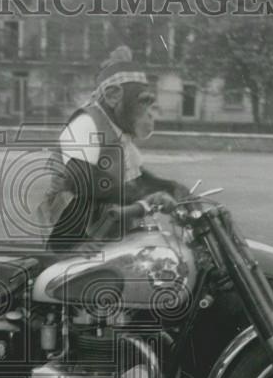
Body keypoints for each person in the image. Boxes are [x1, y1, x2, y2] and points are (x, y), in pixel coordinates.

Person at [37, 46, 190, 251]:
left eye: (150, 103)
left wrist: (172, 188)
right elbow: (80, 182)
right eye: (144, 102)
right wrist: (72, 242)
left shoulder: (119, 131)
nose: (150, 114)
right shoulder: (86, 123)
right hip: (70, 229)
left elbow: (136, 179)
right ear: (113, 96)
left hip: (106, 219)